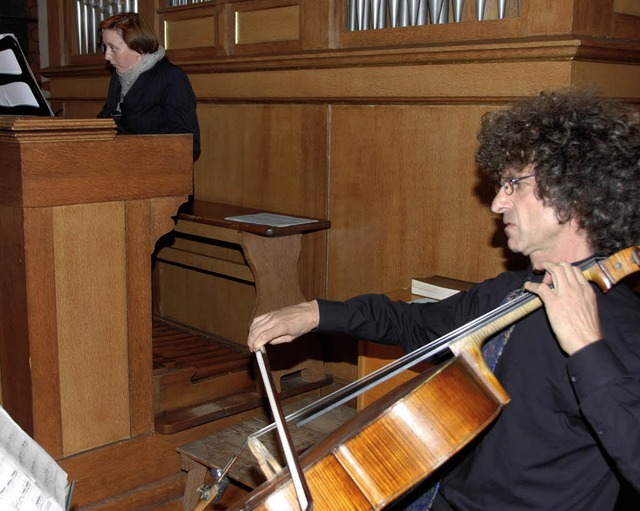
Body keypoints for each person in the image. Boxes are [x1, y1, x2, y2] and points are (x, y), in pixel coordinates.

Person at [246, 91, 640, 511]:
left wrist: (587, 350)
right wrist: (314, 313)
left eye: (513, 184)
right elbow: (415, 324)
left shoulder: (624, 328)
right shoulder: (510, 293)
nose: (497, 202)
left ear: (572, 191)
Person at [97, 12, 200, 160]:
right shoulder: (118, 77)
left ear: (137, 47)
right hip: (124, 169)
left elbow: (190, 145)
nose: (106, 56)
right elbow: (105, 120)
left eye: (113, 48)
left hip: (160, 175)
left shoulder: (170, 77)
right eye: (105, 47)